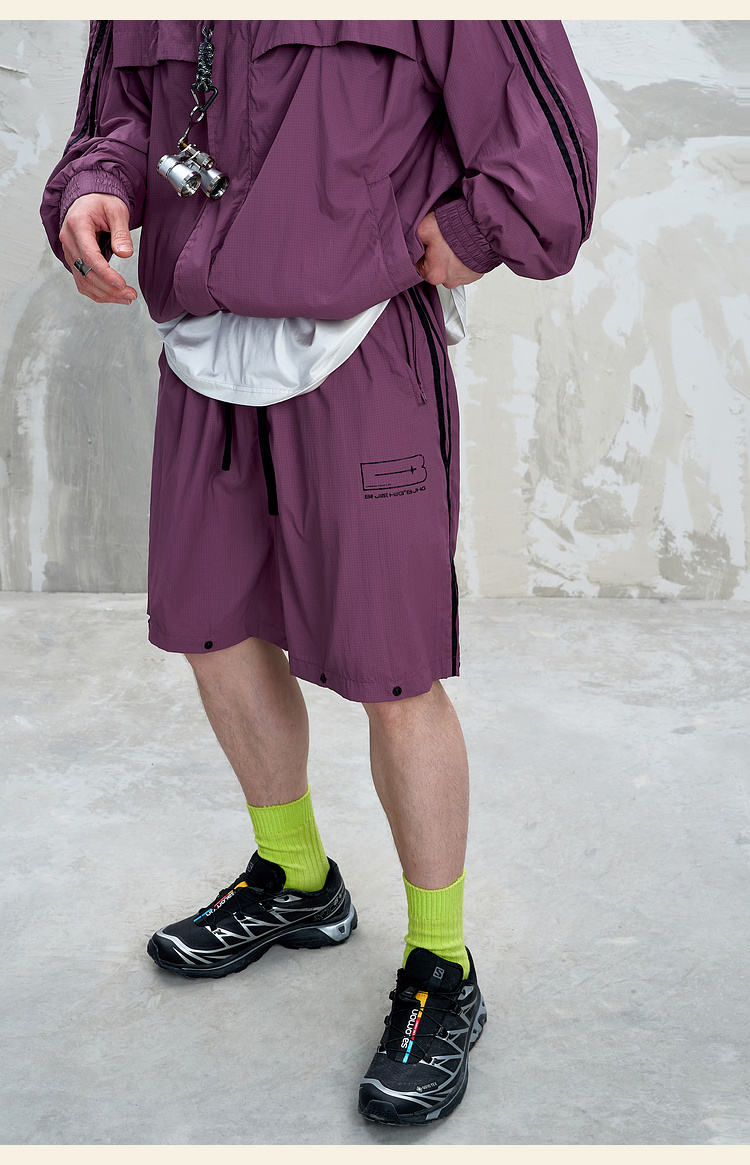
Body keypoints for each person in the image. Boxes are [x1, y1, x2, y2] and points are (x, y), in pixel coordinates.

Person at [41, 19, 597, 1125]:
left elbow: (549, 150)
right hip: (203, 347)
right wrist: (94, 186)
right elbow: (118, 116)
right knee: (210, 631)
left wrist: (473, 227)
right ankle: (296, 877)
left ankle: (442, 964)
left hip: (359, 343)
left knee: (393, 671)